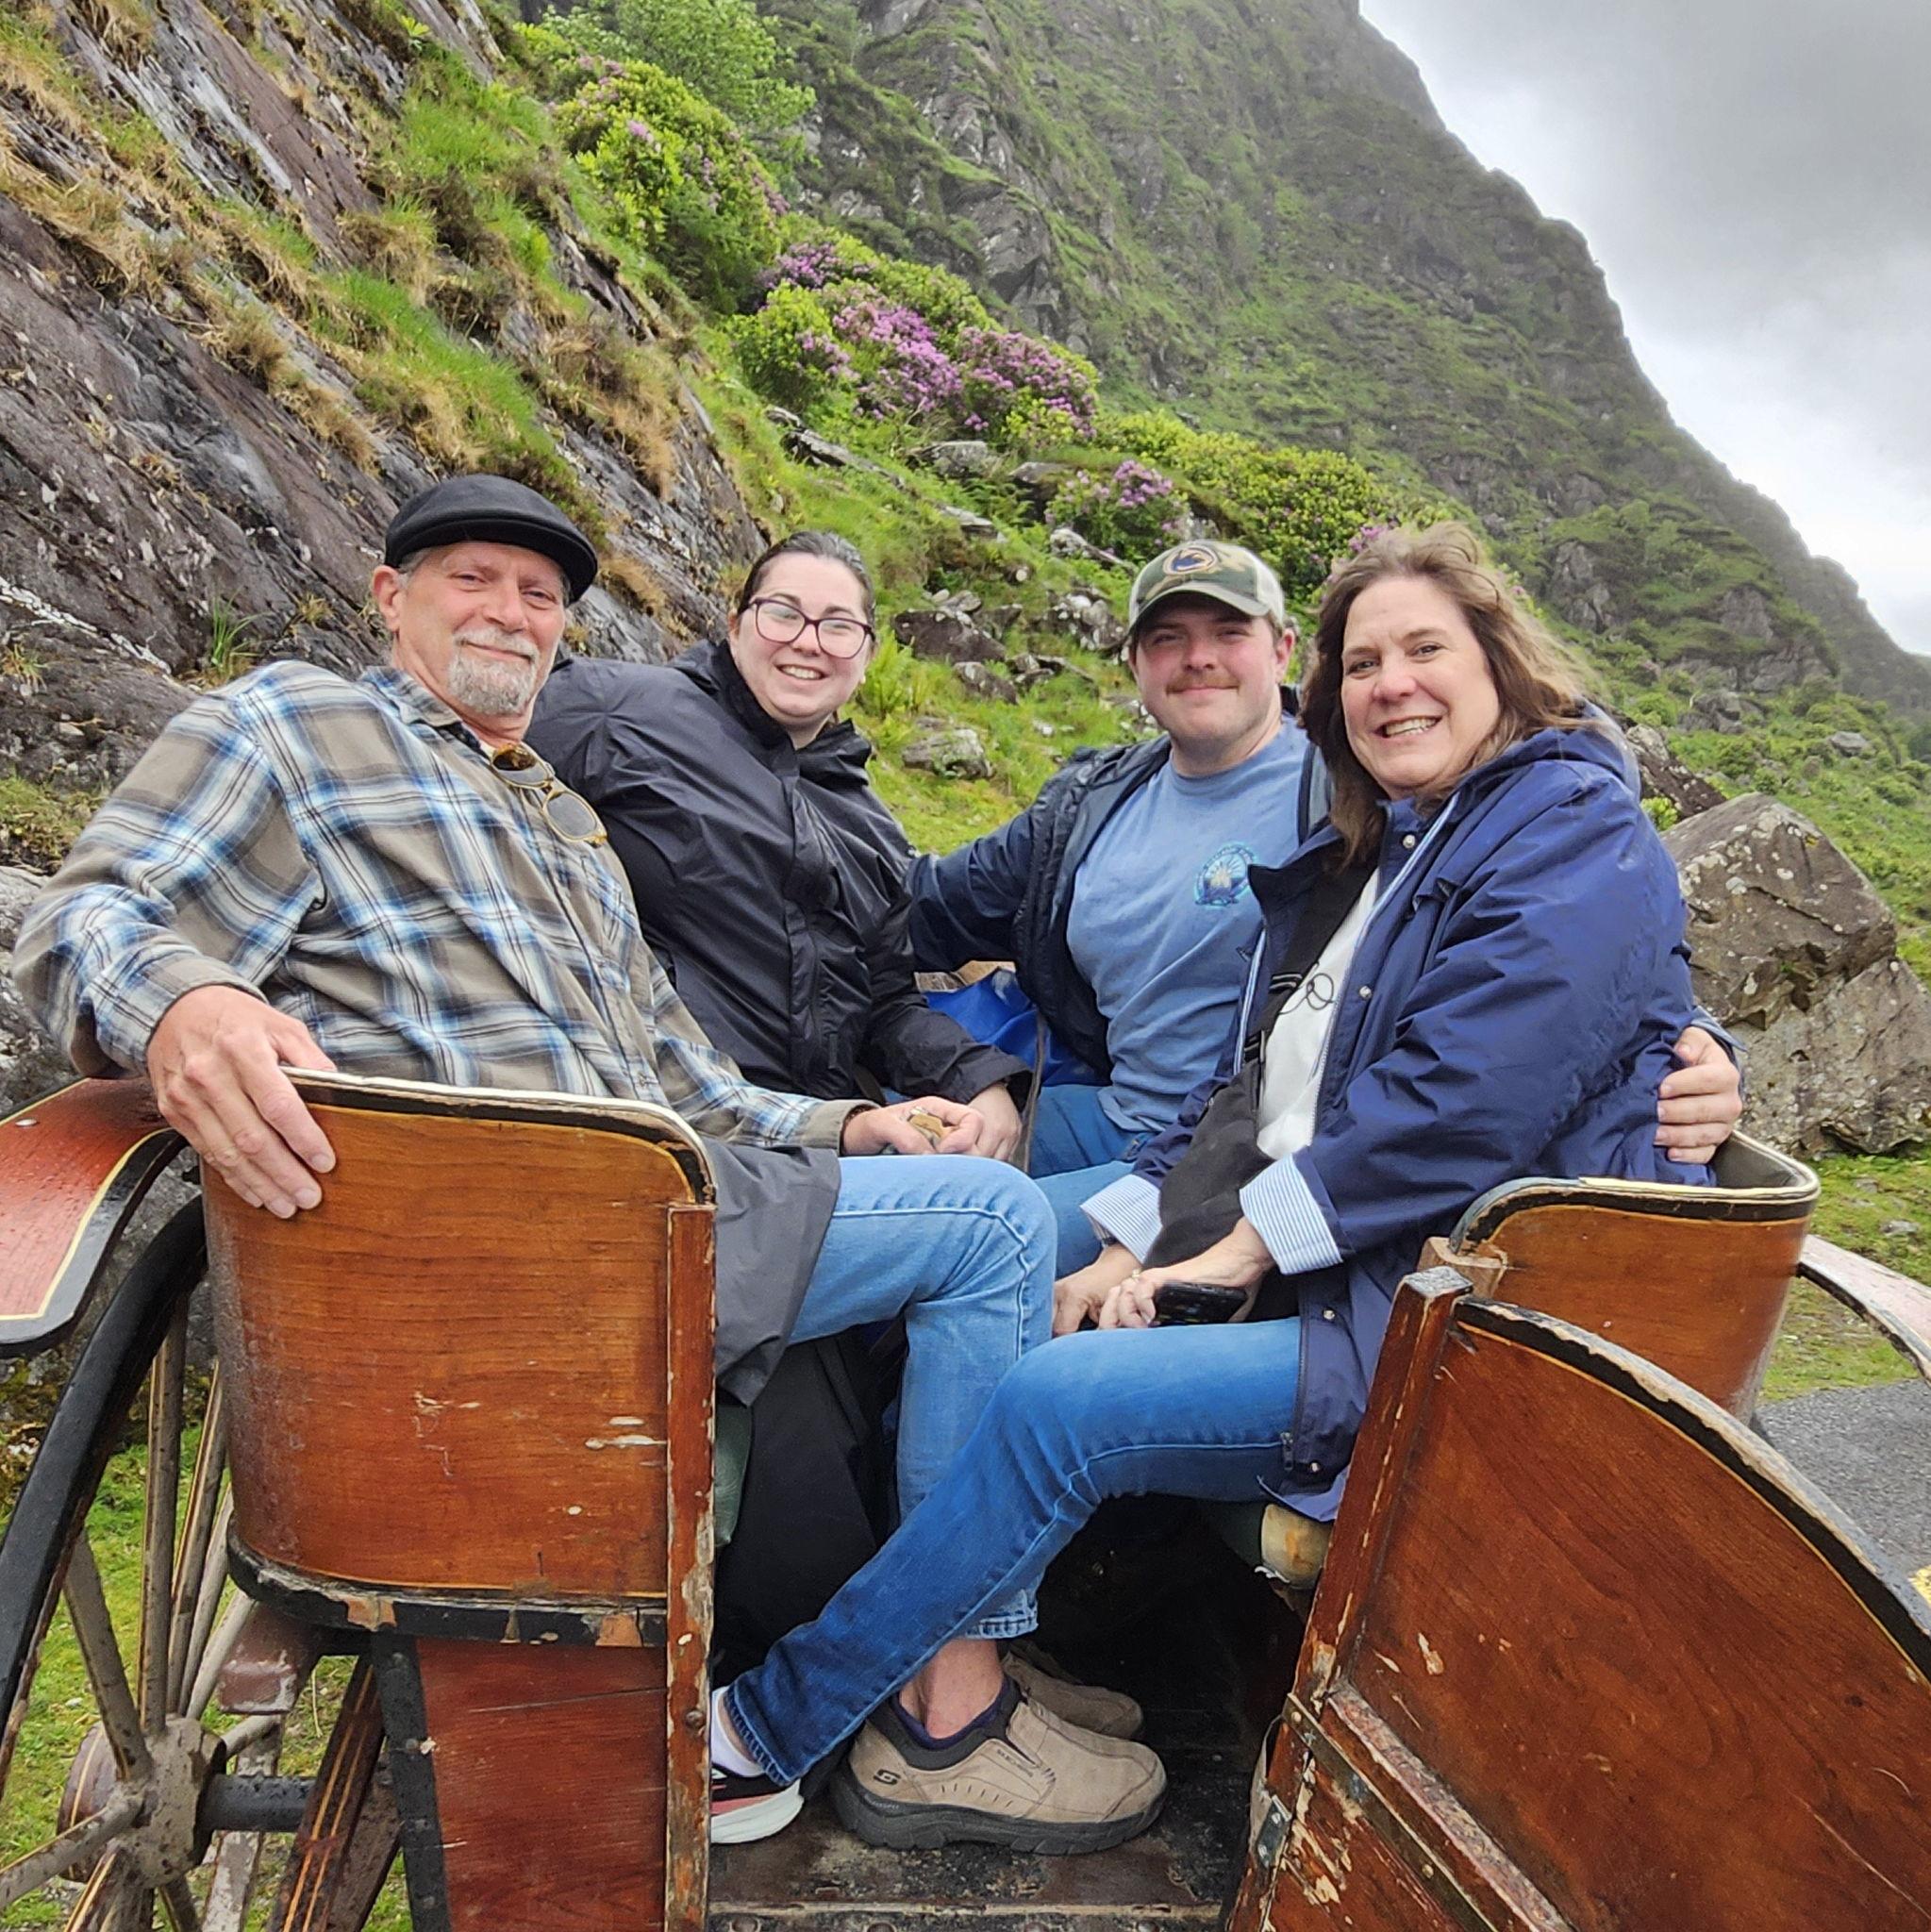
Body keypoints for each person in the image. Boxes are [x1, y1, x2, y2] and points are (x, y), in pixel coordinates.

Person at [9, 475, 1137, 1848]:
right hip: (506, 1241)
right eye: (471, 578)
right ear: (390, 597)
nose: (511, 610)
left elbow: (683, 1077)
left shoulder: (562, 825)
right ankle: (942, 1710)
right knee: (1003, 1226)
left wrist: (851, 1122)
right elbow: (84, 916)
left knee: (975, 1203)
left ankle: (911, 1646)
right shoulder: (294, 723)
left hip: (653, 1190)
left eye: (539, 594)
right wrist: (181, 1006)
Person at [707, 522, 1714, 1854]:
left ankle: (774, 1727)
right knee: (1001, 1290)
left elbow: (1461, 1103)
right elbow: (1249, 1094)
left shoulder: (1562, 827)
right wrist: (1136, 1240)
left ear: (1501, 663)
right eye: (1367, 664)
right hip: (1357, 1280)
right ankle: (950, 1681)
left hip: (1460, 1331)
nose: (1392, 684)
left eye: (1424, 649)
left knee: (1049, 1402)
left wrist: (1217, 1261)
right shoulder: (1391, 848)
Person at [907, 539, 1742, 1271]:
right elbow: (920, 913)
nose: (1197, 658)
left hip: (1253, 1150)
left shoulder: (1358, 787)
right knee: (904, 1189)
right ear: (1133, 664)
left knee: (975, 1253)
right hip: (1132, 1115)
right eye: (1167, 639)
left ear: (1280, 653)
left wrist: (1695, 1034)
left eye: (1227, 633)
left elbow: (1554, 948)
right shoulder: (1089, 802)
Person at [525, 529, 1032, 1682]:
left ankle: (904, 1656)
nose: (807, 640)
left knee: (862, 1412)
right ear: (738, 617)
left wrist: (976, 1076)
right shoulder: (618, 707)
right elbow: (456, 756)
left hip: (816, 1142)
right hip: (684, 1129)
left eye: (836, 623)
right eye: (783, 612)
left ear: (865, 654)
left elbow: (886, 1004)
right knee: (800, 1483)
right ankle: (885, 1684)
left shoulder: (863, 816)